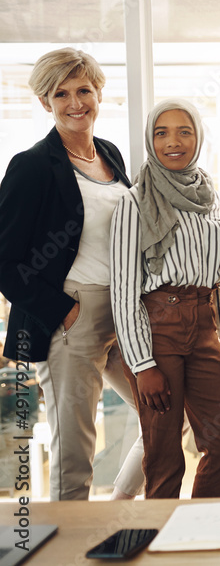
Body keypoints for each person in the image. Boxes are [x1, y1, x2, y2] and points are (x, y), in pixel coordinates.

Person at [0, 47, 144, 500]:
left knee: (166, 416)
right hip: (72, 313)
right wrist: (63, 311)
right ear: (46, 103)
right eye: (61, 93)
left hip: (124, 309)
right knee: (75, 450)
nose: (75, 102)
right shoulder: (32, 166)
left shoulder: (111, 155)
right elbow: (5, 262)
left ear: (99, 94)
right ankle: (69, 550)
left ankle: (116, 510)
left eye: (84, 89)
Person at [110, 98, 220, 498]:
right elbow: (123, 290)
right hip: (158, 330)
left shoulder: (209, 199)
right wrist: (142, 364)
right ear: (151, 141)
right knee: (164, 453)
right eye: (161, 133)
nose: (173, 142)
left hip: (205, 326)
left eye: (184, 131)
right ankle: (159, 548)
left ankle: (200, 527)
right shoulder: (134, 202)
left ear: (198, 138)